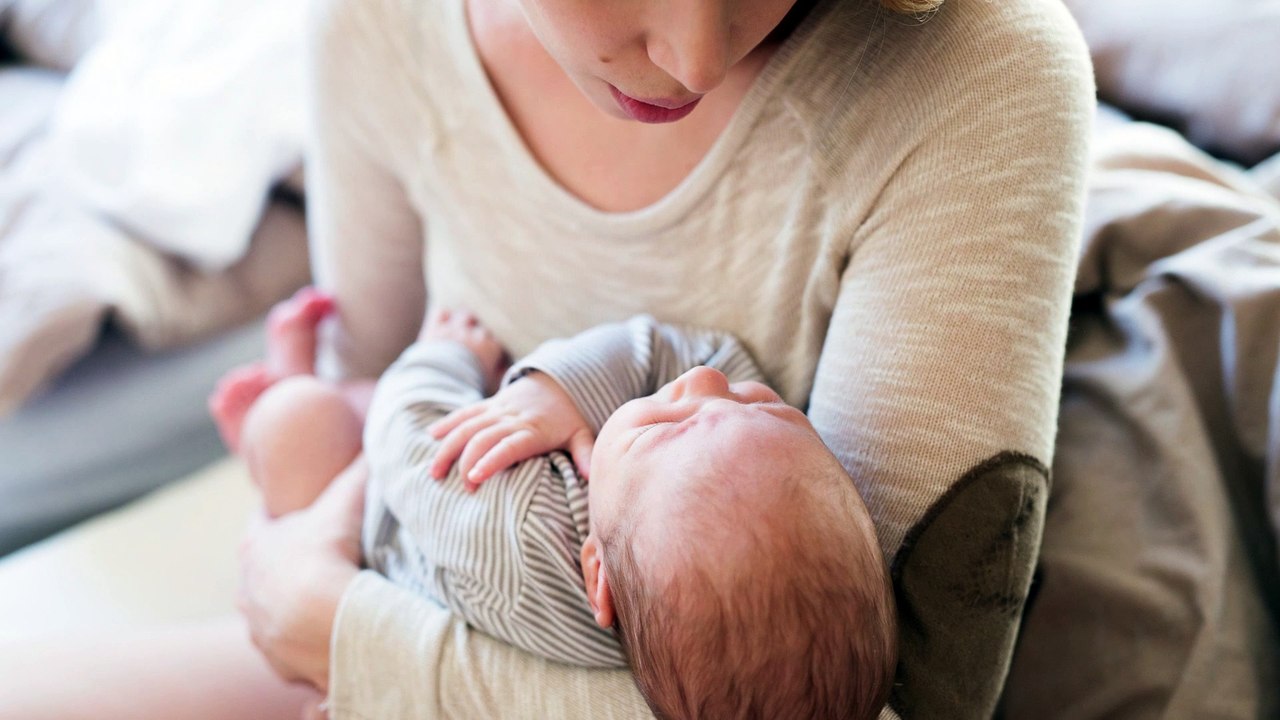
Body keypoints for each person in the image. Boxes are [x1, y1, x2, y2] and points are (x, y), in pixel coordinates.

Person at [0, 0, 1092, 716]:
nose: (696, 56)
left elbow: (877, 706)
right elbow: (376, 385)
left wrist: (342, 632)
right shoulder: (376, 28)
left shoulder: (978, 82)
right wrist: (314, 524)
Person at [216, 293, 897, 718]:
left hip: (385, 533)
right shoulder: (666, 572)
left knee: (299, 423)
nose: (705, 380)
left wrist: (445, 355)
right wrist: (563, 389)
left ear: (593, 571)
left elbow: (409, 441)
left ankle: (289, 389)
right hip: (423, 547)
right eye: (766, 405)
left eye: (664, 424)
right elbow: (709, 354)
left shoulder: (523, 535)